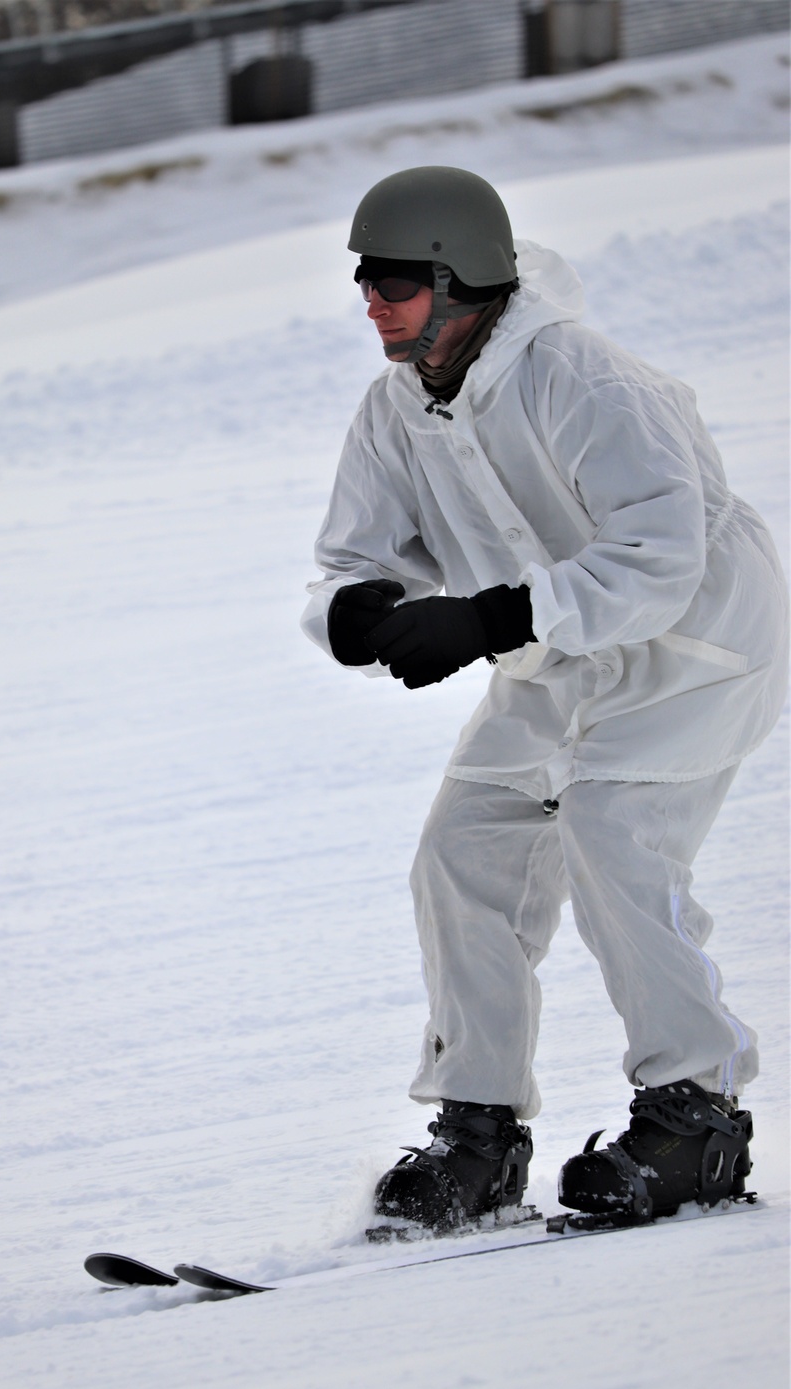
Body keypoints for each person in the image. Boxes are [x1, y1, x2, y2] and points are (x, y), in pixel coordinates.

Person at [301, 166, 788, 1234]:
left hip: (694, 649)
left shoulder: (584, 379)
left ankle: (693, 1118)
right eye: (363, 282)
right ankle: (476, 1135)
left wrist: (483, 622)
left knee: (614, 834)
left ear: (459, 276)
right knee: (462, 852)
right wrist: (353, 608)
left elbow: (661, 557)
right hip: (559, 660)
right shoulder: (398, 408)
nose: (370, 302)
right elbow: (354, 552)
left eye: (391, 280)